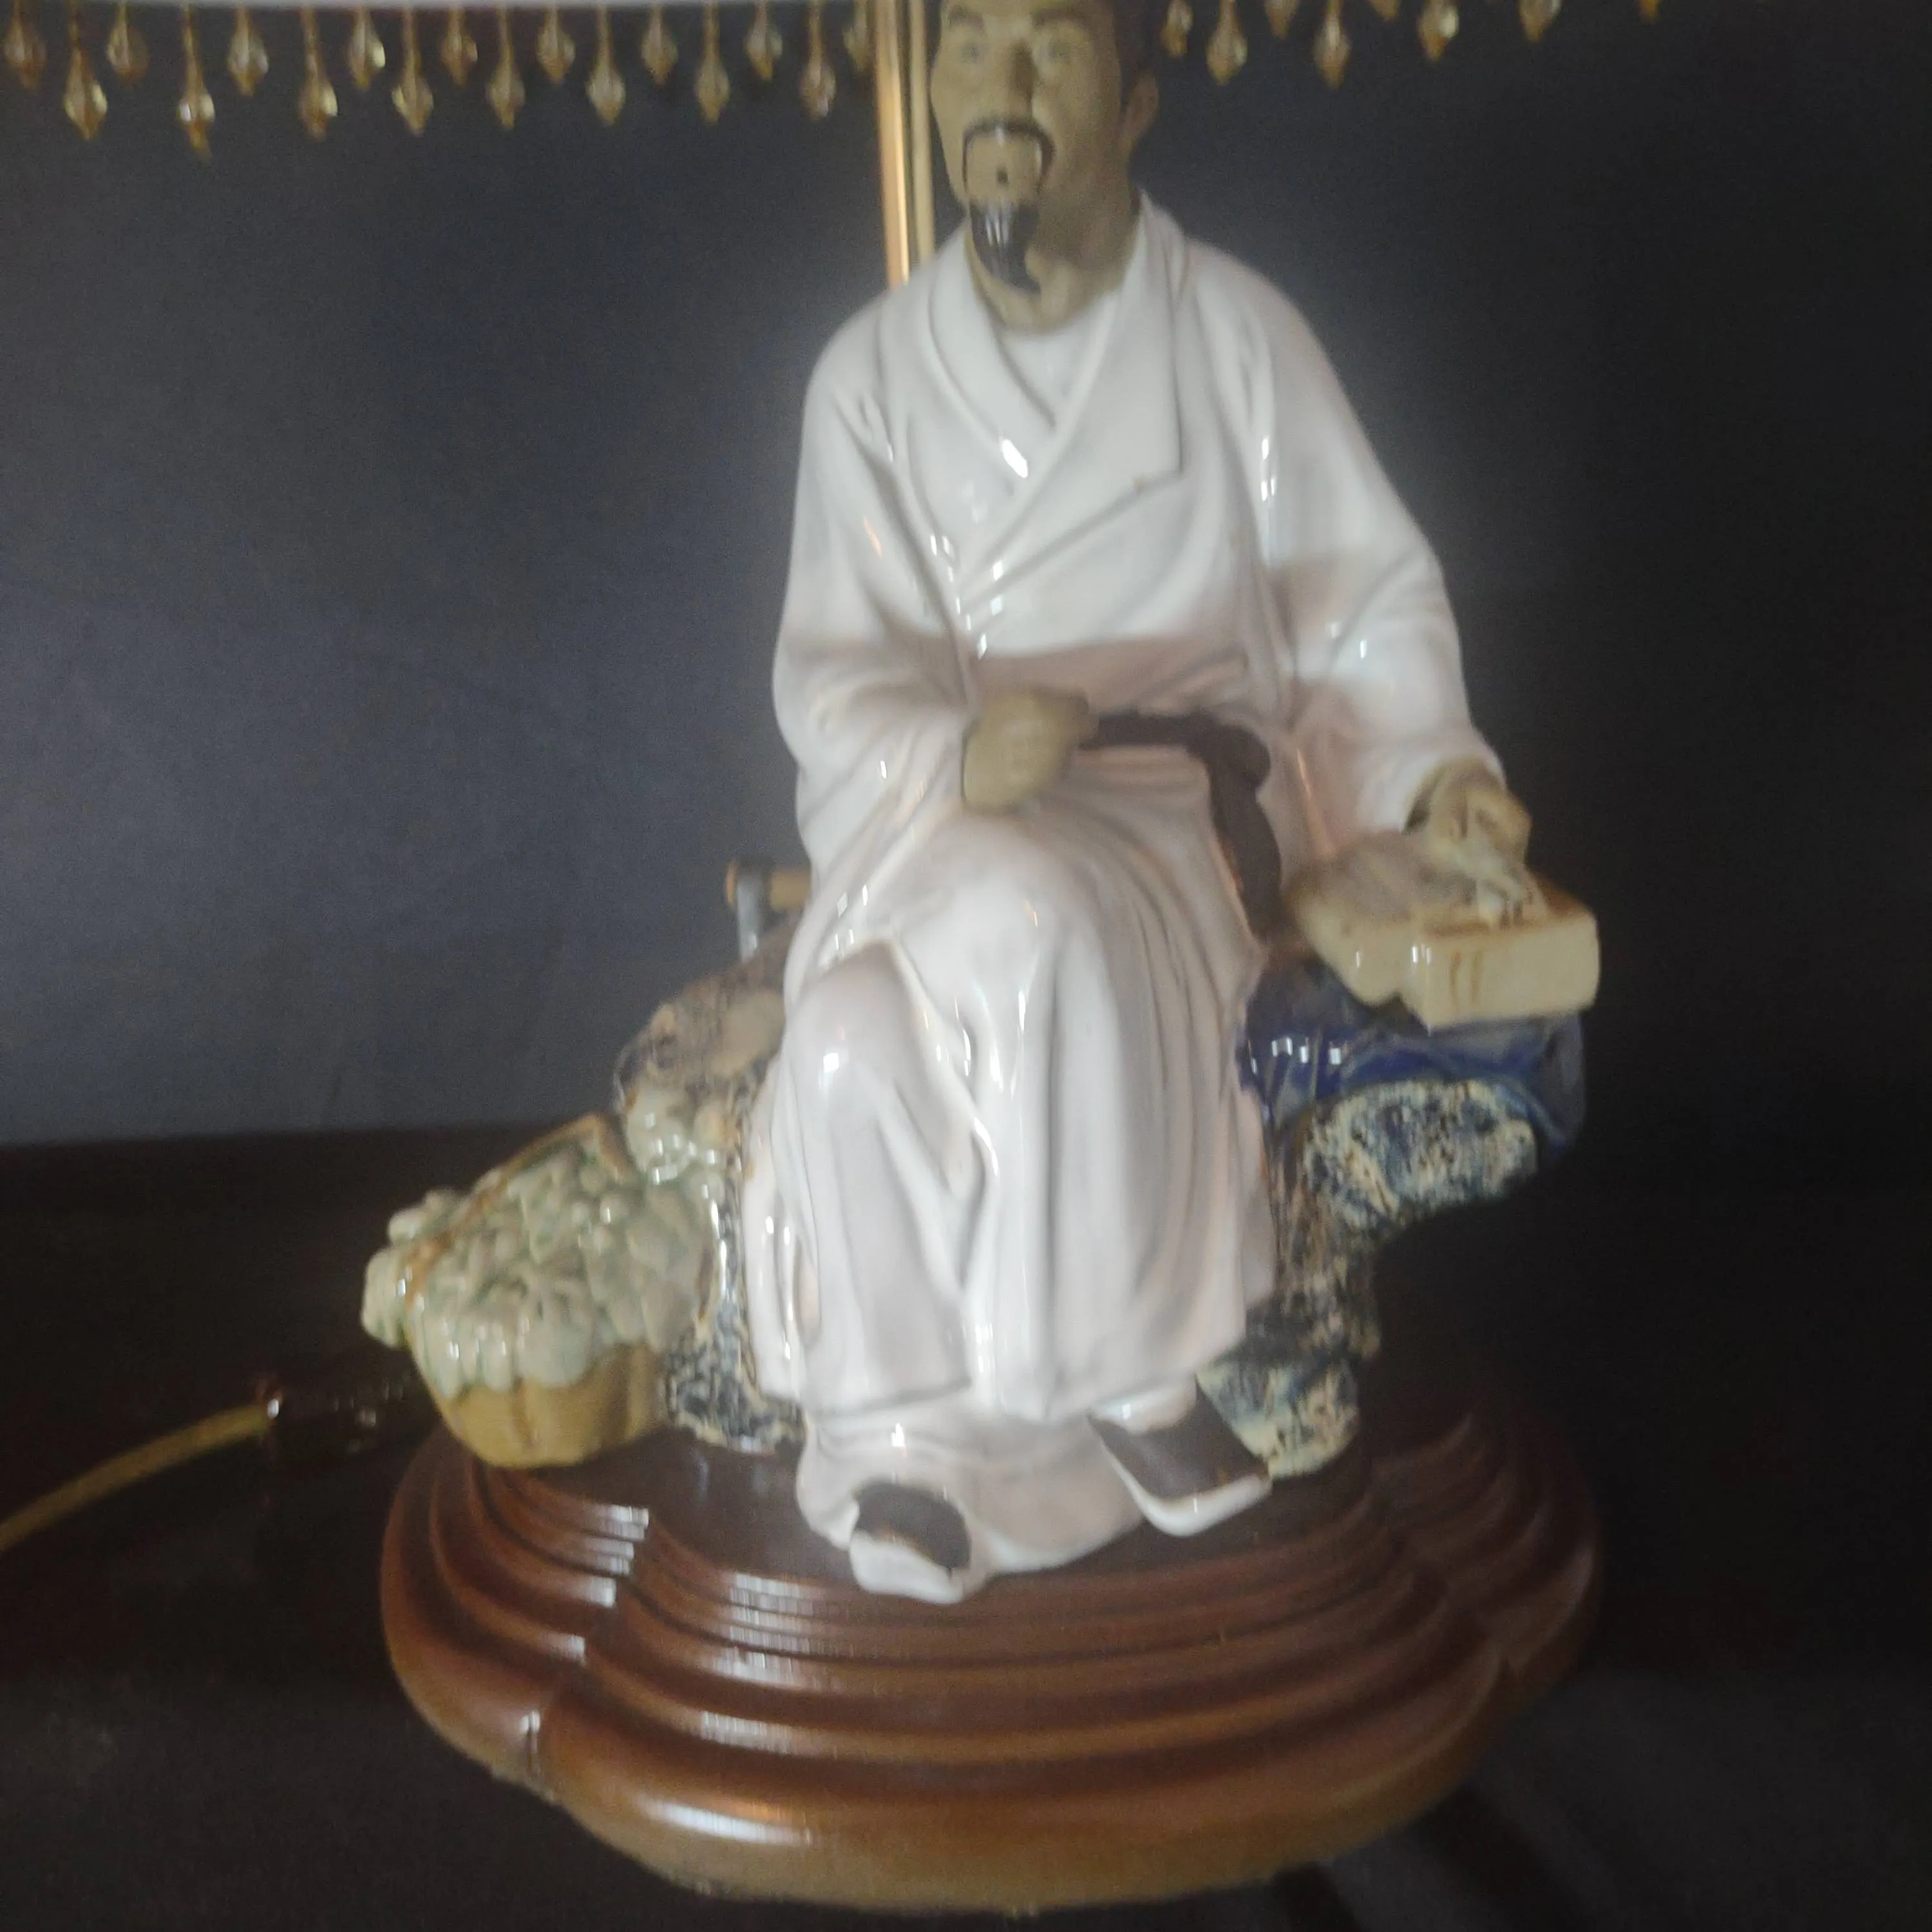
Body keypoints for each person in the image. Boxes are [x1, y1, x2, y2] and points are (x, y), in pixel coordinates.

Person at [742, 0, 1530, 1602]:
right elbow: (833, 669)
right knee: (853, 1032)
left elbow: (1361, 606)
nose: (1004, 91)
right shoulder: (869, 381)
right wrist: (952, 757)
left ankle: (1108, 1376)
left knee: (991, 944)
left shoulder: (1233, 337)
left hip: (1171, 818)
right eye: (970, 49)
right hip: (938, 819)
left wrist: (1435, 769)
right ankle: (905, 1435)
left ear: (1137, 100)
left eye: (1051, 49)